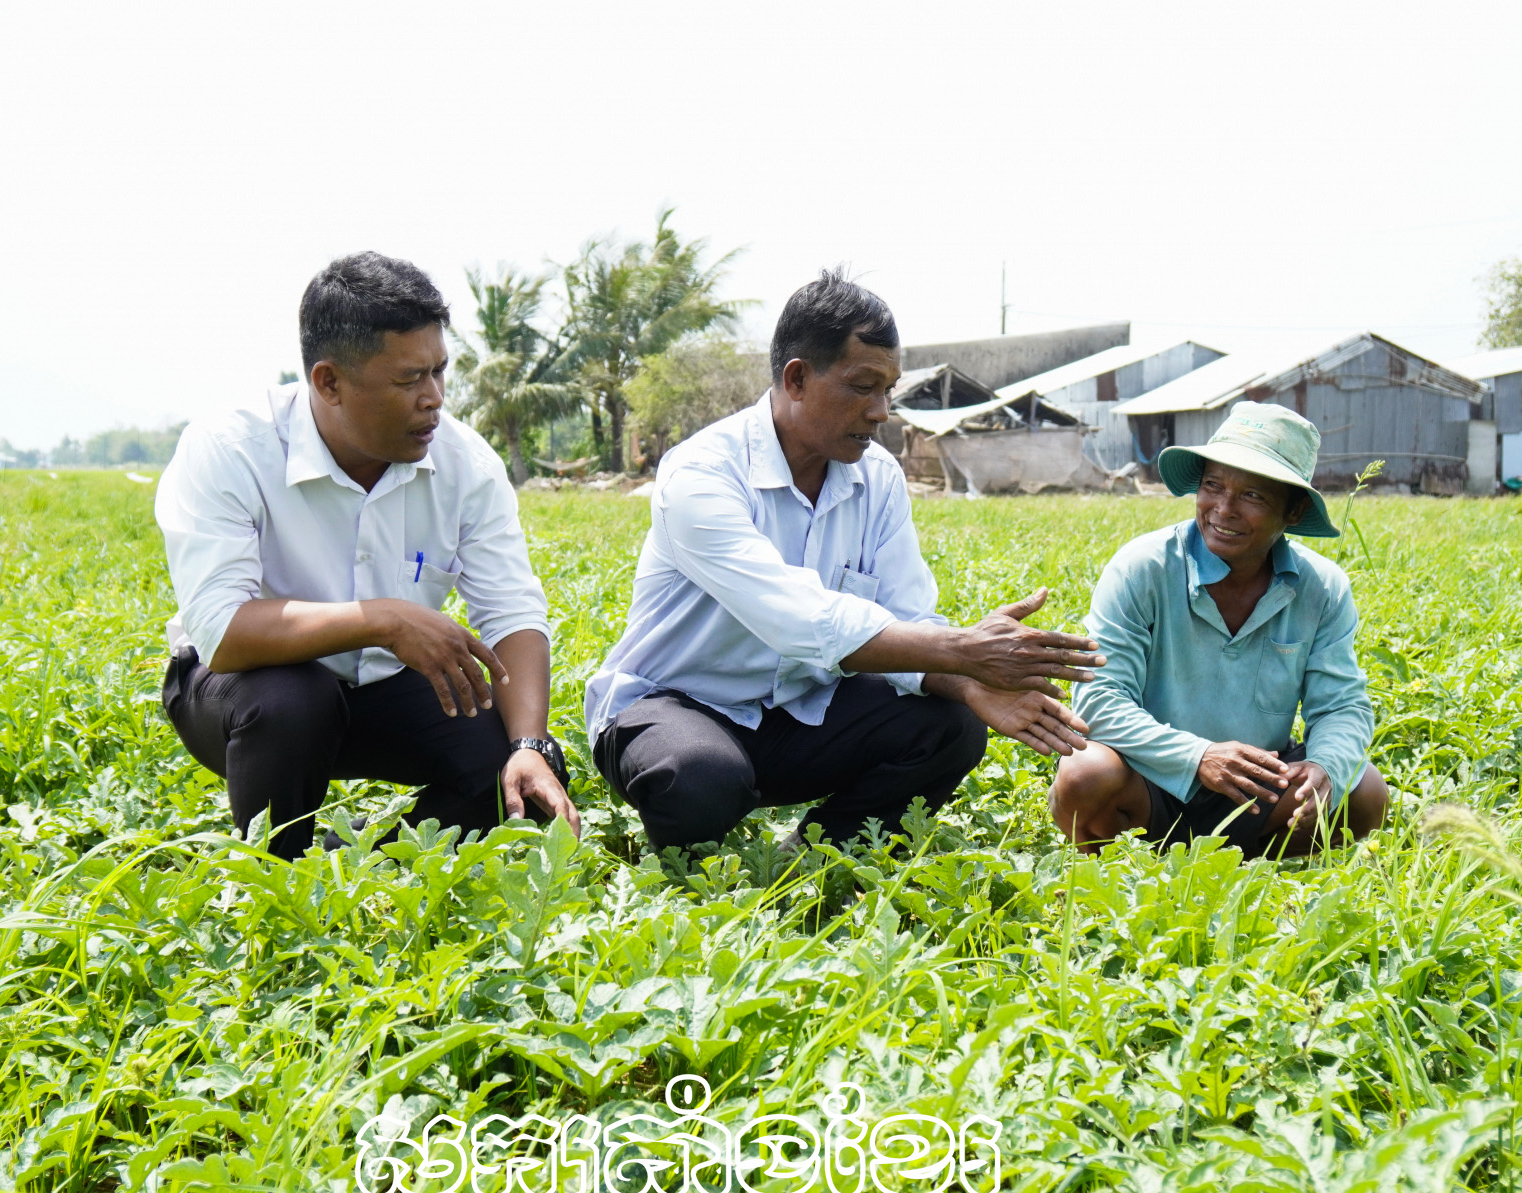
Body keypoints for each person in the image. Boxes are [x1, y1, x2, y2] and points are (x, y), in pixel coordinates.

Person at [585, 269, 1103, 853]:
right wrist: (965, 650)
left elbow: (908, 617)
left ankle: (811, 860)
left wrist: (966, 680)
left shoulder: (877, 478)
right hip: (671, 706)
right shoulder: (702, 472)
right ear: (797, 379)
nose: (882, 411)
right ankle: (694, 872)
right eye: (863, 386)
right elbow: (794, 618)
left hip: (792, 712)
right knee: (701, 776)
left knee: (950, 726)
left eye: (889, 390)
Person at [154, 251, 576, 858]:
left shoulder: (466, 464)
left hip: (384, 685)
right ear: (328, 382)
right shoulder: (231, 448)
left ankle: (361, 867)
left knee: (510, 772)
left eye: (439, 371)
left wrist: (529, 746)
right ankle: (276, 875)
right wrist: (383, 619)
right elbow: (221, 632)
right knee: (293, 701)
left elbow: (511, 611)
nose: (434, 398)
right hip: (244, 692)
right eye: (409, 380)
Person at [1049, 402, 1387, 856]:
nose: (1223, 509)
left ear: (1293, 511)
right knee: (1084, 773)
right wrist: (1198, 757)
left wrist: (1325, 765)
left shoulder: (1322, 588)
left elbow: (1341, 704)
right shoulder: (1142, 568)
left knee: (1364, 791)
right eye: (1213, 486)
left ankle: (1251, 870)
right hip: (1148, 777)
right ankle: (1119, 868)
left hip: (1257, 789)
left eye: (1253, 496)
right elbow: (1100, 700)